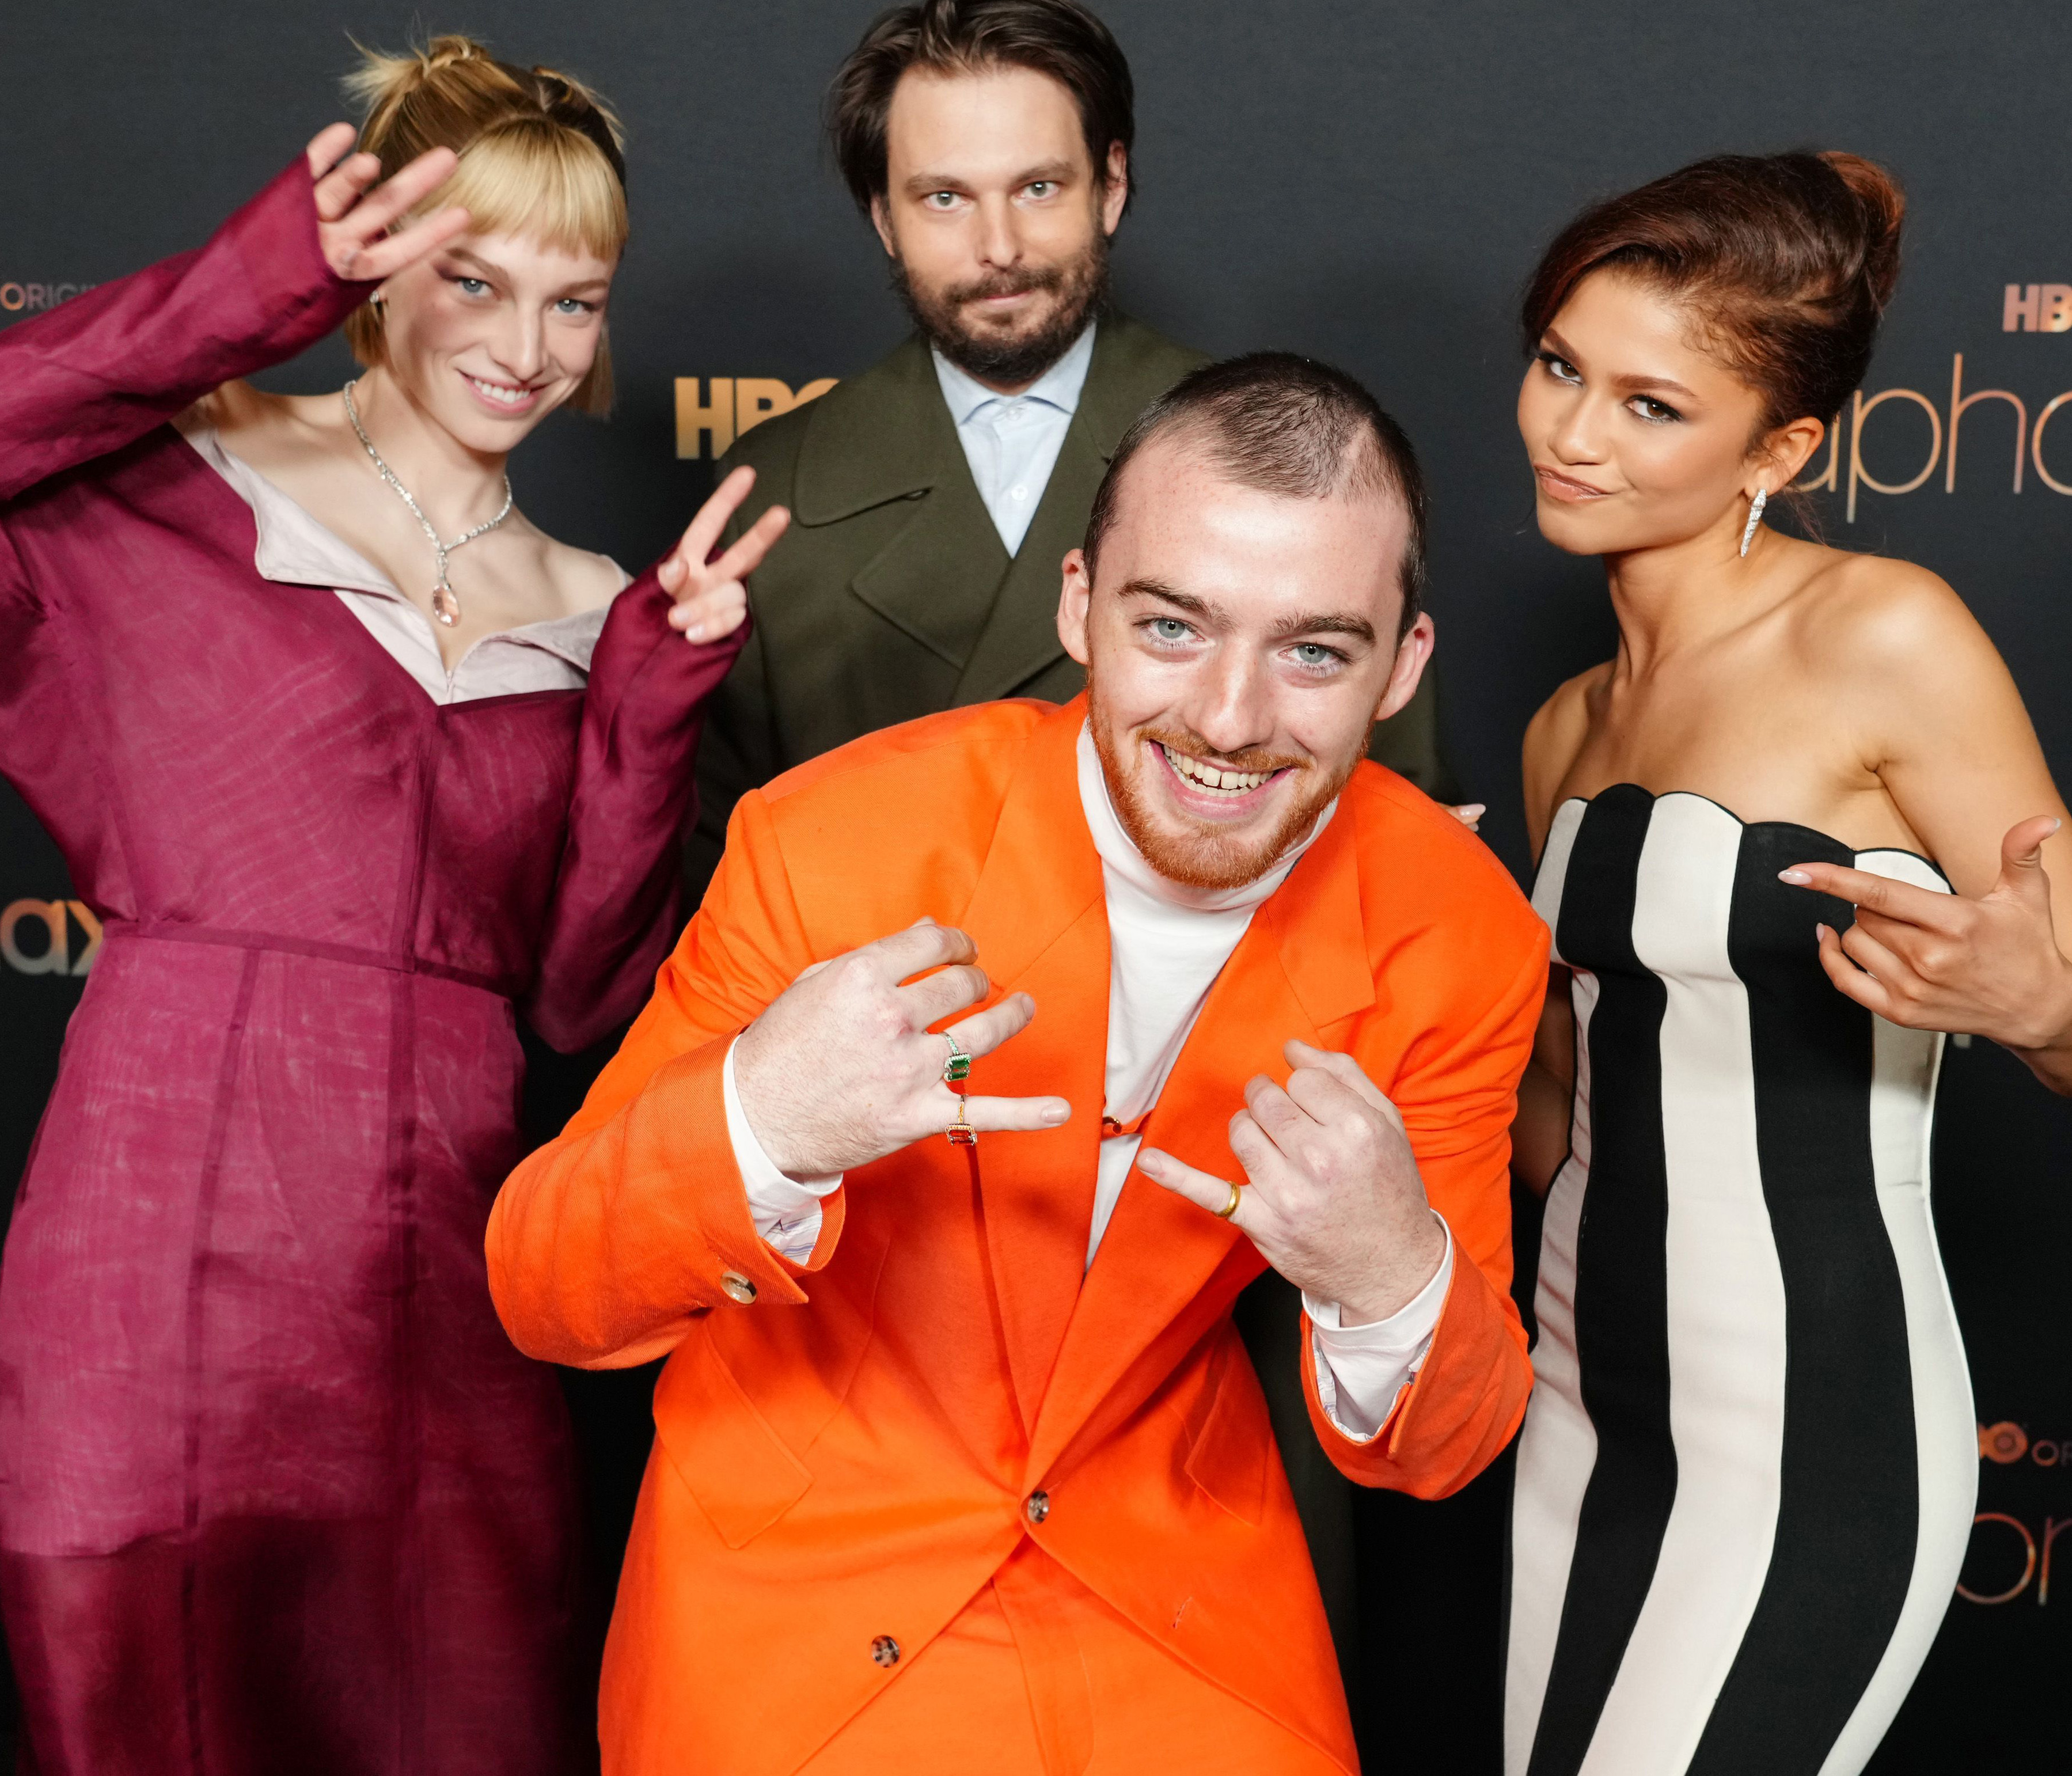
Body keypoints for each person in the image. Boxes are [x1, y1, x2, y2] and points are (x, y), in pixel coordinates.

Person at [0, 37, 784, 1775]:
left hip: (450, 1295)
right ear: (367, 266)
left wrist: (654, 707)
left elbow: (586, 1001)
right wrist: (232, 302)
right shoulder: (167, 481)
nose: (526, 349)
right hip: (160, 1258)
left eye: (575, 301)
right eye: (473, 279)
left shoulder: (605, 602)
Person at [488, 354, 1545, 1775]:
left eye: (1312, 651)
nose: (1228, 720)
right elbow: (544, 1284)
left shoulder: (1455, 925)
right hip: (802, 1576)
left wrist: (1388, 1270)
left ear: (1402, 665)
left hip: (1172, 1595)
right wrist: (762, 1122)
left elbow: (1445, 1444)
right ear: (1077, 609)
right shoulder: (836, 840)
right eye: (1171, 626)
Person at [1500, 151, 2072, 1776]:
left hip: (1802, 1430)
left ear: (1781, 445)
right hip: (1574, 1409)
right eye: (1554, 365)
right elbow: (1557, 1108)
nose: (1570, 432)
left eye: (1650, 405)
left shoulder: (1882, 634)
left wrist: (2035, 1006)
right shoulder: (1558, 730)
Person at [689, 0, 1444, 901]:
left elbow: (1395, 830)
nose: (999, 245)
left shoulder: (1293, 460)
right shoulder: (771, 486)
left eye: (1038, 187)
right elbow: (720, 870)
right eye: (944, 199)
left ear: (1111, 186)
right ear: (883, 218)